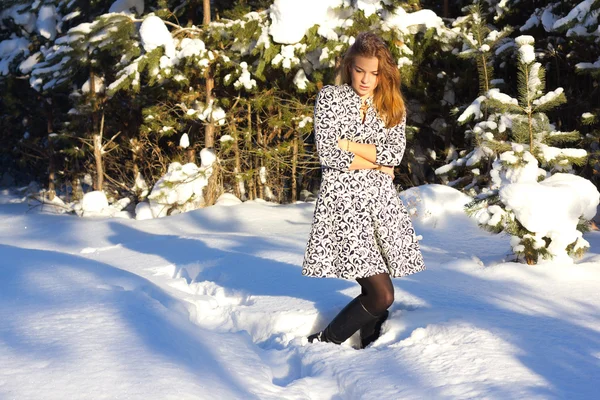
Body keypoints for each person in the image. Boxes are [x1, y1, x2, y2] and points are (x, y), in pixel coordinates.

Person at [302, 32, 426, 349]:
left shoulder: (391, 105)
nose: (366, 79)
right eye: (360, 70)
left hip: (381, 205)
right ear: (349, 66)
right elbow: (329, 154)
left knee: (375, 291)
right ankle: (322, 342)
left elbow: (393, 155)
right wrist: (371, 156)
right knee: (382, 293)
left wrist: (350, 147)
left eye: (374, 72)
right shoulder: (330, 98)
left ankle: (372, 351)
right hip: (344, 204)